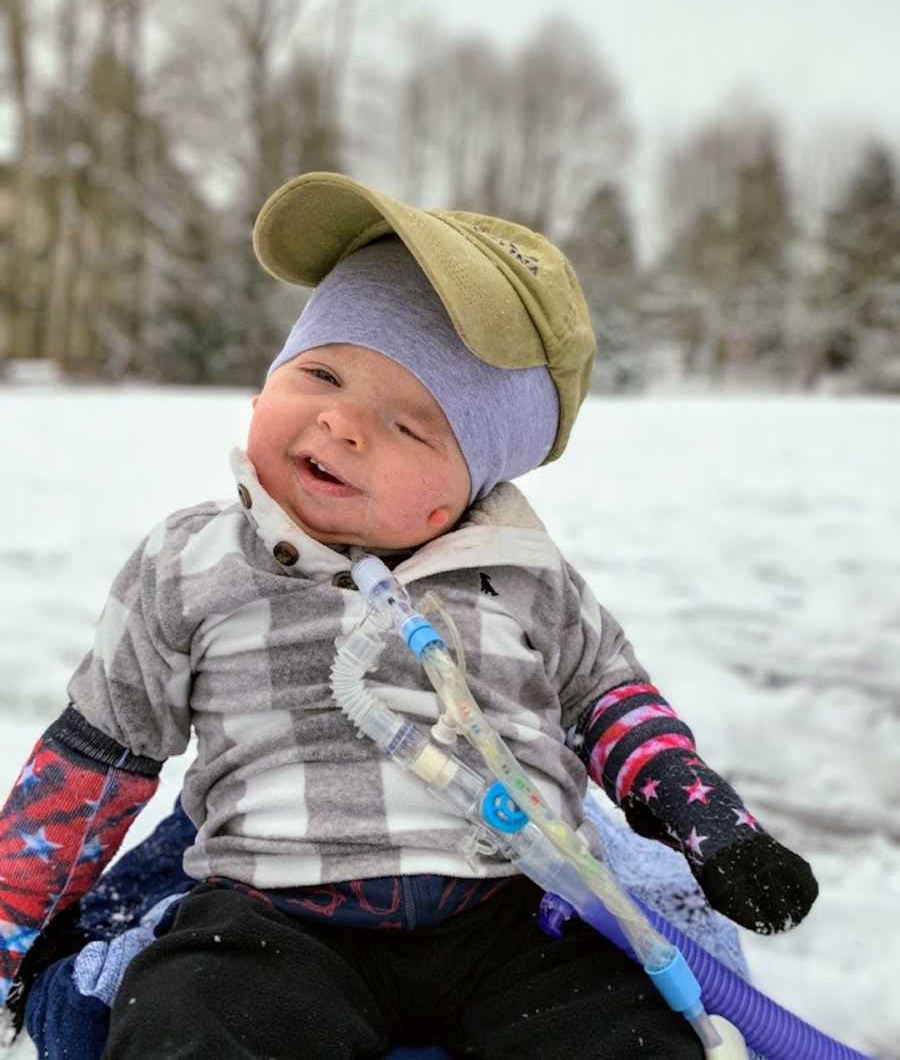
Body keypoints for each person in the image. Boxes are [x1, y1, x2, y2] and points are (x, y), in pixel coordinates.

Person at [0, 172, 818, 1060]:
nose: (341, 423)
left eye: (411, 425)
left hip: (519, 912)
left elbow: (611, 703)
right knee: (194, 1015)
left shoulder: (522, 577)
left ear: (472, 487)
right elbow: (97, 756)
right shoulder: (192, 563)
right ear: (263, 387)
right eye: (319, 372)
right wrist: (11, 932)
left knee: (634, 1032)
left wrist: (716, 826)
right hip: (277, 916)